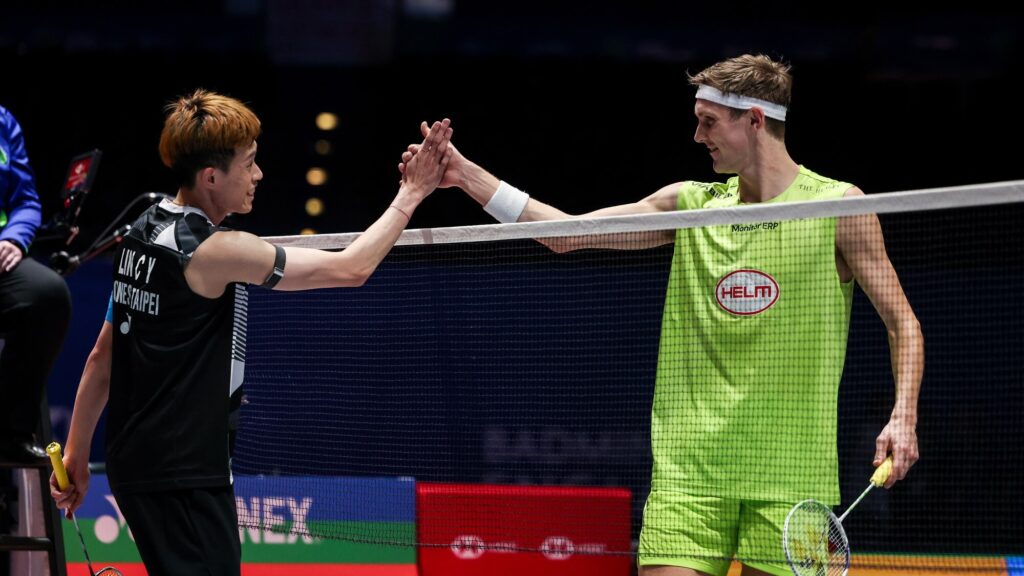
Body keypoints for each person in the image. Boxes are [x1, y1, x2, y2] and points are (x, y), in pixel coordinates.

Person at [401, 54, 922, 576]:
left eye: (709, 121)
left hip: (789, 475)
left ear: (755, 120)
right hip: (688, 478)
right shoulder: (690, 205)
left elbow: (904, 323)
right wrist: (465, 175)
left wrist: (904, 415)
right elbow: (565, 235)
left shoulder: (836, 208)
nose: (698, 136)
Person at [50, 89, 452, 575]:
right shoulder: (216, 250)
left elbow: (102, 355)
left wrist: (76, 454)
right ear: (211, 177)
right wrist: (413, 192)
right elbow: (352, 268)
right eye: (250, 163)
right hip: (184, 475)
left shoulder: (143, 230)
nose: (259, 175)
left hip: (137, 465)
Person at [0, 104, 72, 464]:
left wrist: (14, 239)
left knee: (45, 293)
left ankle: (10, 433)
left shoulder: (3, 120)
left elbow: (25, 200)